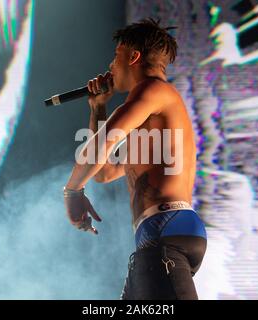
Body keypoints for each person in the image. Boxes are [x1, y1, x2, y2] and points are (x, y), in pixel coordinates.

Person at [63, 18, 207, 300]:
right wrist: (98, 109)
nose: (110, 67)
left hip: (165, 228)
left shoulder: (152, 89)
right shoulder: (153, 118)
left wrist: (72, 192)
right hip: (161, 231)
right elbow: (104, 172)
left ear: (133, 56)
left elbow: (106, 141)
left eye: (116, 56)